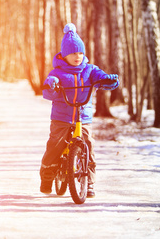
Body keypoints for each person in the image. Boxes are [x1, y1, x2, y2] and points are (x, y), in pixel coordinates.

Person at [40, 23, 119, 198]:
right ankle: (47, 176)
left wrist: (106, 79)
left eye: (80, 52)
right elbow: (48, 90)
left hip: (83, 118)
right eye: (73, 53)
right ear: (65, 55)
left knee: (88, 146)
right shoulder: (58, 72)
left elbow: (100, 77)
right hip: (62, 117)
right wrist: (51, 85)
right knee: (55, 146)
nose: (78, 56)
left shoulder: (89, 70)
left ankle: (89, 182)